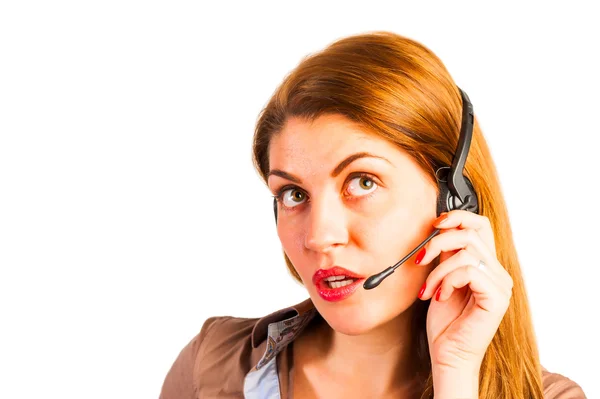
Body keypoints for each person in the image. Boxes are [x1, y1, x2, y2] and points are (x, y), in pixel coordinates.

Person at [160, 31, 586, 398]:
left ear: (456, 201)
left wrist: (456, 373)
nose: (319, 236)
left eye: (363, 182)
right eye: (293, 193)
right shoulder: (211, 371)